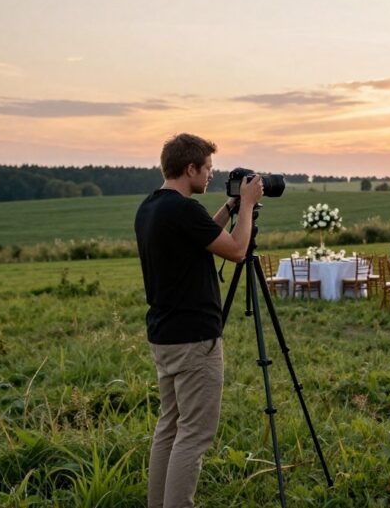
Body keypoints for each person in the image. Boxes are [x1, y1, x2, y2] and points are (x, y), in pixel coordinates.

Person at [134, 133, 263, 508]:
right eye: (206, 168)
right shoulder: (183, 210)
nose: (210, 174)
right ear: (189, 168)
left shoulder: (152, 207)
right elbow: (237, 250)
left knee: (170, 427)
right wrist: (249, 209)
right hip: (194, 339)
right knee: (193, 435)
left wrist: (229, 208)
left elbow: (202, 235)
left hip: (165, 335)